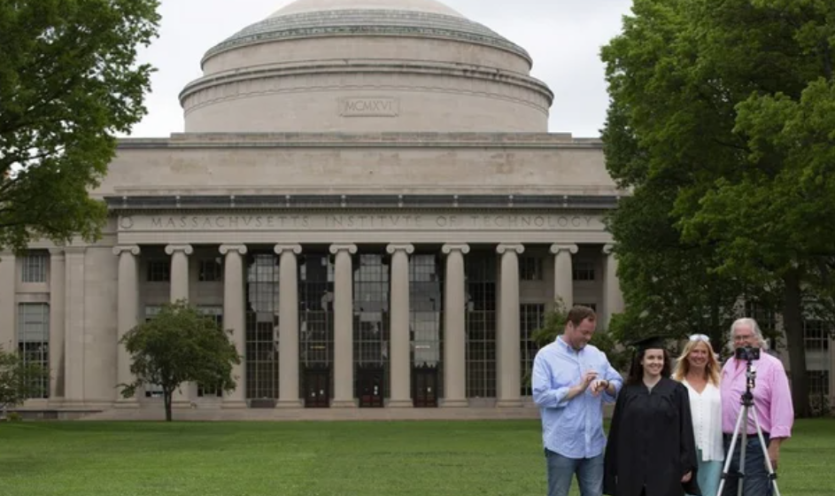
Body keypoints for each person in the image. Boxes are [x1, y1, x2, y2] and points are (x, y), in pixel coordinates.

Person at [532, 305, 624, 496]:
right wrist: (578, 389)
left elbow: (619, 384)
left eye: (591, 333)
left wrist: (606, 384)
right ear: (569, 325)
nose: (588, 338)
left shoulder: (597, 355)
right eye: (584, 333)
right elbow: (541, 396)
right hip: (561, 444)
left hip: (594, 446)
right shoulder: (546, 356)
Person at [604, 336, 701, 496]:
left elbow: (686, 430)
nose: (655, 362)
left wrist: (687, 464)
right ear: (641, 361)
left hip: (666, 467)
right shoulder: (628, 392)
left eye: (659, 358)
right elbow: (616, 432)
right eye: (650, 357)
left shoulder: (676, 391)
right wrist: (613, 467)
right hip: (631, 467)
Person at [720, 318, 794, 496]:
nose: (741, 341)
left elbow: (783, 407)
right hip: (727, 443)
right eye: (737, 337)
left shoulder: (772, 365)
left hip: (756, 443)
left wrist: (775, 446)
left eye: (746, 336)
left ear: (757, 338)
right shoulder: (728, 364)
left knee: (755, 491)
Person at [673, 334, 724, 496]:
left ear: (710, 357)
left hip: (714, 449)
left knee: (710, 493)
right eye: (695, 351)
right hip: (684, 452)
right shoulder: (675, 383)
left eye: (703, 352)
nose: (699, 356)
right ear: (687, 355)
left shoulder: (719, 382)